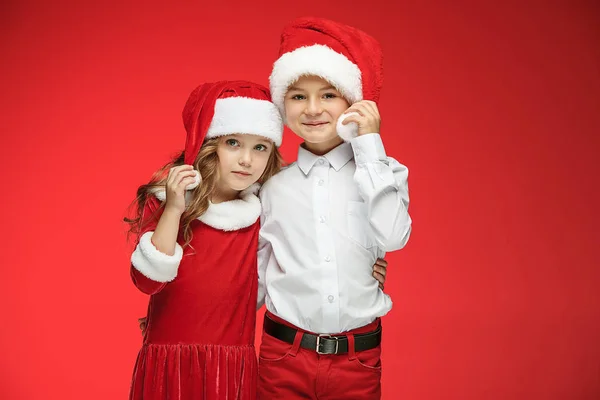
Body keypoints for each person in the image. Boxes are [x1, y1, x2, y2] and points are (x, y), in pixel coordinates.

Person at [257, 17, 412, 399]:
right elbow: (253, 281)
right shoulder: (272, 187)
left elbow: (393, 237)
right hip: (282, 357)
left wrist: (370, 144)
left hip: (356, 361)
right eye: (297, 96)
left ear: (353, 101)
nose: (312, 108)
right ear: (283, 104)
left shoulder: (382, 172)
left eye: (328, 94)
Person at [126, 80, 284, 400]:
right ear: (209, 144)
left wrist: (366, 266)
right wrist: (173, 208)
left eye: (260, 147)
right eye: (233, 143)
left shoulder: (262, 214)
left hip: (229, 371)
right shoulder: (167, 201)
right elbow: (147, 280)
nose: (246, 160)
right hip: (168, 367)